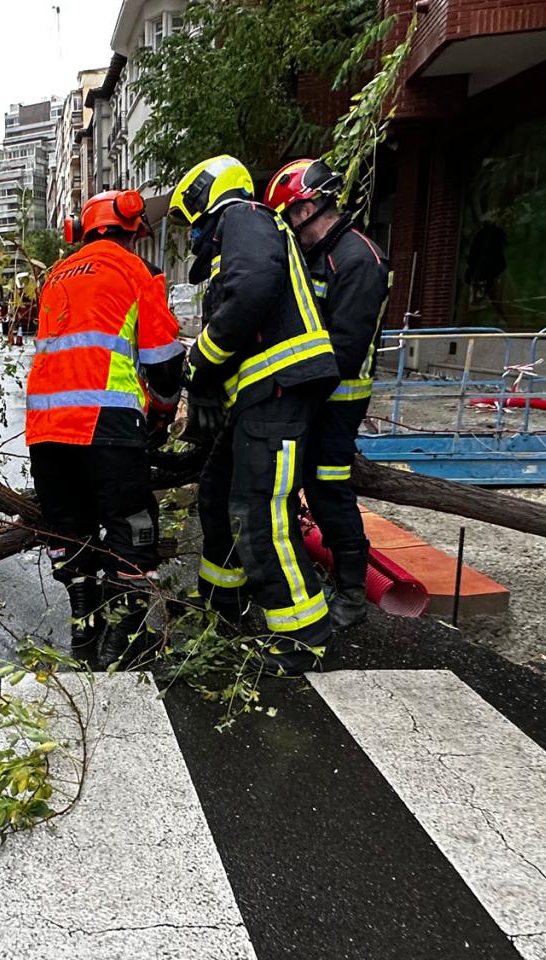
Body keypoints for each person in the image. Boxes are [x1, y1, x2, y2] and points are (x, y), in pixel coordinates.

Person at [172, 155, 339, 675]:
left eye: (193, 219)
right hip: (260, 397)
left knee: (260, 513)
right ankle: (223, 604)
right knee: (220, 498)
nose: (194, 232)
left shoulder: (243, 217)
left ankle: (303, 634)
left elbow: (247, 297)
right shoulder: (238, 232)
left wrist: (201, 357)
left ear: (205, 197)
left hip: (281, 392)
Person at [27, 189, 184, 667]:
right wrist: (162, 409)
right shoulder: (134, 270)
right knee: (132, 528)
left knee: (68, 530)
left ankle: (83, 626)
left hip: (45, 427)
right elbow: (162, 359)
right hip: (106, 422)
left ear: (81, 230)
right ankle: (123, 641)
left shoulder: (55, 275)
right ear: (133, 231)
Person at [264, 158, 392, 631]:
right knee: (291, 483)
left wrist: (289, 385)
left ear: (307, 208)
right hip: (312, 397)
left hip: (338, 401)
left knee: (328, 490)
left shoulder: (358, 259)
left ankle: (353, 595)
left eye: (291, 218)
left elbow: (343, 348)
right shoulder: (319, 255)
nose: (293, 230)